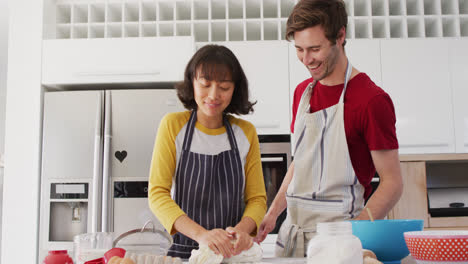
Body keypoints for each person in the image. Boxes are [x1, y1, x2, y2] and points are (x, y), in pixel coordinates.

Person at [254, 0, 403, 257]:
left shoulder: (371, 101)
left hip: (338, 244)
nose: (306, 59)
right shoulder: (302, 93)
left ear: (340, 36)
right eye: (299, 49)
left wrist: (352, 233)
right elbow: (301, 162)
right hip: (292, 237)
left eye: (314, 48)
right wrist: (273, 212)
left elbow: (392, 183)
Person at [148, 44, 267, 259]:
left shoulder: (245, 133)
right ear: (192, 82)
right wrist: (203, 236)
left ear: (235, 89)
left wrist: (241, 231)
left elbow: (257, 199)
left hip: (232, 254)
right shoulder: (173, 126)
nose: (213, 95)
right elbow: (157, 194)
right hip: (184, 253)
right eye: (205, 84)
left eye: (224, 87)